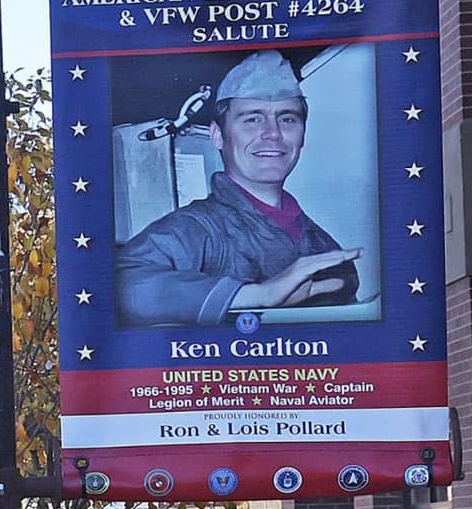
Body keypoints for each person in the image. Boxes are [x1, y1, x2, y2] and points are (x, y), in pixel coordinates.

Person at [115, 50, 363, 328]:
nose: (273, 133)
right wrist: (256, 295)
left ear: (302, 135)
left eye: (287, 119)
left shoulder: (324, 246)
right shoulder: (195, 230)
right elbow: (119, 285)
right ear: (217, 135)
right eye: (252, 119)